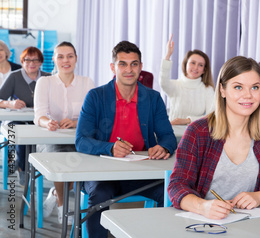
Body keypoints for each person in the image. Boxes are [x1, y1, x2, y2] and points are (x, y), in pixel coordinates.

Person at [168, 56, 260, 219]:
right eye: (238, 87)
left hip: (252, 225)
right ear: (222, 90)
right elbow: (177, 186)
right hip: (206, 225)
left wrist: (259, 197)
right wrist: (203, 206)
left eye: (255, 88)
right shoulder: (198, 132)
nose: (248, 95)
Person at [75, 41, 177, 237]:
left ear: (140, 66)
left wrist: (163, 147)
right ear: (113, 67)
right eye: (122, 64)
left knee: (172, 192)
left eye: (134, 64)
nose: (129, 69)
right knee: (100, 195)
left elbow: (167, 136)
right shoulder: (95, 96)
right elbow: (81, 140)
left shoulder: (153, 98)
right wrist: (110, 147)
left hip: (140, 173)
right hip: (102, 173)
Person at [33, 41, 94, 224]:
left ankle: (54, 193)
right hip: (52, 138)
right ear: (54, 60)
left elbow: (93, 116)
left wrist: (75, 122)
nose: (65, 60)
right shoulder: (45, 82)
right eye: (60, 56)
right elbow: (39, 115)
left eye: (70, 56)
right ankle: (62, 207)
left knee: (82, 163)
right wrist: (48, 123)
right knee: (60, 163)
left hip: (80, 138)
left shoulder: (86, 83)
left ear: (76, 59)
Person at [0, 46, 50, 185]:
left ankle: (32, 167)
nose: (31, 63)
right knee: (21, 135)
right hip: (15, 120)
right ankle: (23, 168)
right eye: (27, 60)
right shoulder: (14, 76)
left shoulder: (47, 78)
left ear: (41, 62)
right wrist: (10, 104)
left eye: (35, 60)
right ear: (22, 62)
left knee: (36, 136)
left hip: (39, 120)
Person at [159, 34, 215, 125]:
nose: (196, 68)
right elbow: (163, 82)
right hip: (173, 133)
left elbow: (212, 116)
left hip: (196, 134)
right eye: (193, 63)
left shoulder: (208, 89)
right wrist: (168, 55)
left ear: (204, 70)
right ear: (185, 65)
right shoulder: (175, 85)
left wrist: (187, 120)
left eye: (200, 65)